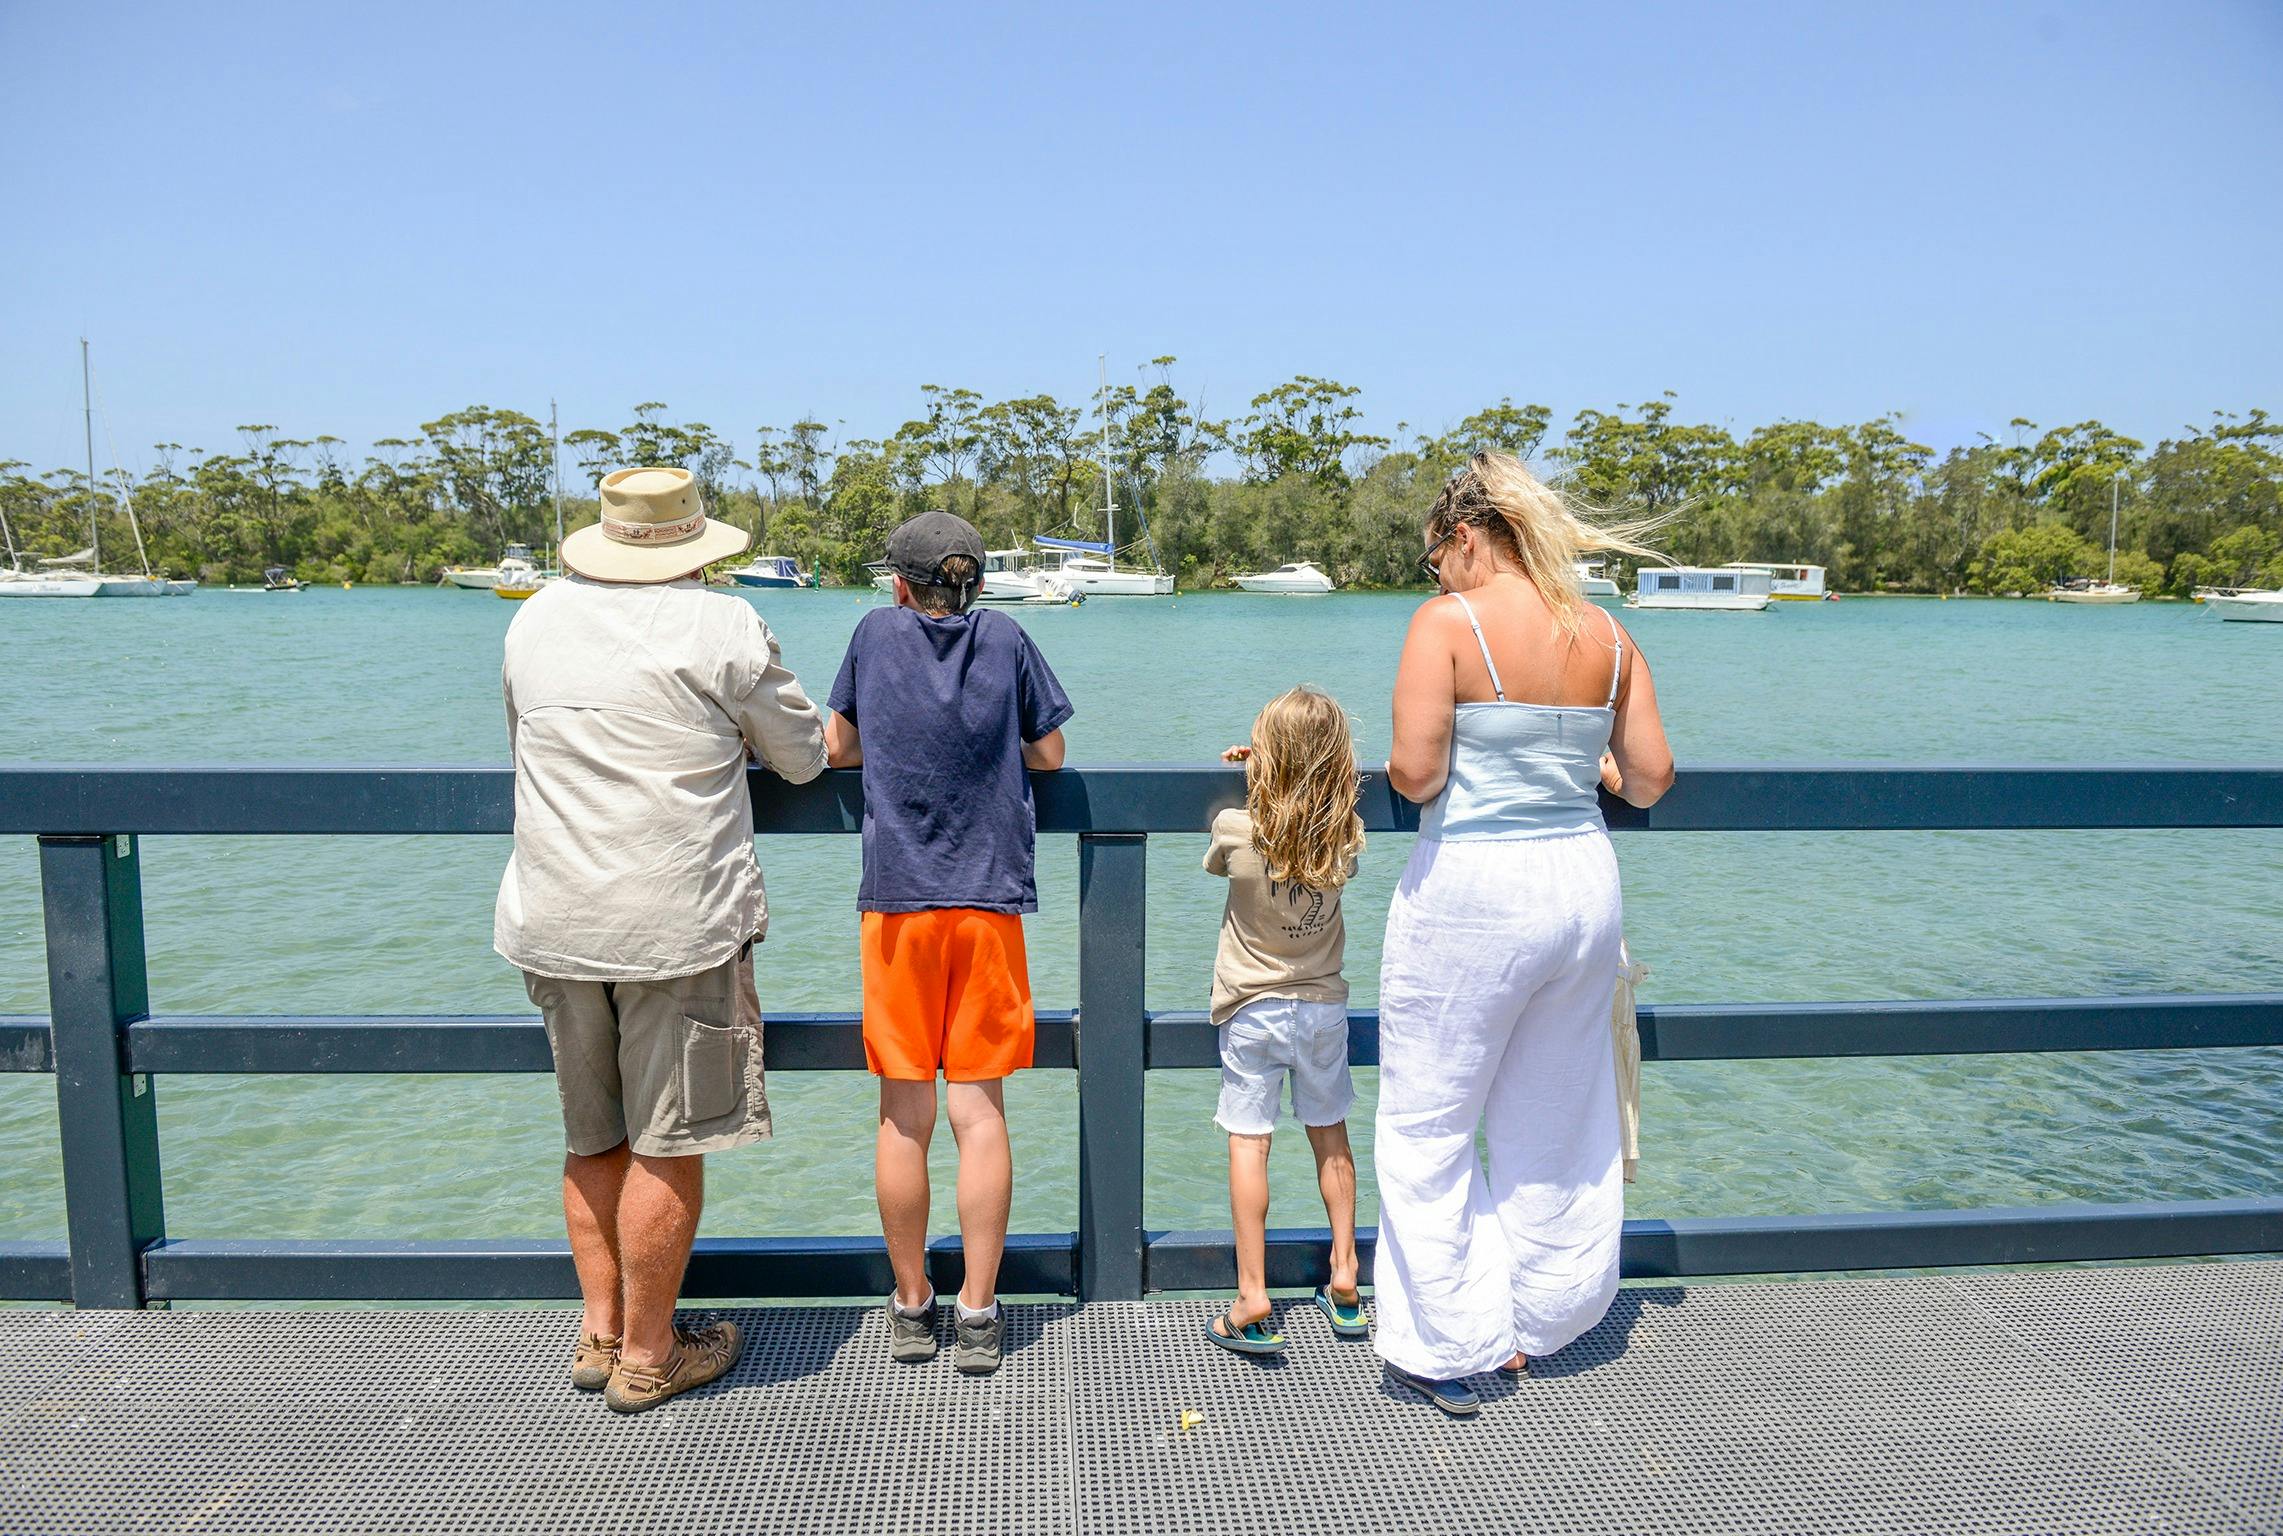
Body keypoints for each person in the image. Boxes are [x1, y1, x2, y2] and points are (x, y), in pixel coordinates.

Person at [496, 465, 827, 1415]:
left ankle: (599, 1334)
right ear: (694, 544)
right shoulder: (722, 625)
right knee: (668, 1142)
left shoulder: (532, 621)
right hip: (675, 923)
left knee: (591, 1133)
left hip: (552, 914)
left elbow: (521, 744)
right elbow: (802, 760)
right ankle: (651, 1356)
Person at [1374, 451, 1674, 1418]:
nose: (1436, 577)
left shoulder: (1446, 624)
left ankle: (1452, 1344)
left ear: (1465, 538)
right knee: (1558, 1115)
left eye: (1435, 557)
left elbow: (1415, 776)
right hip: (1581, 886)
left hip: (1475, 891)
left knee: (1428, 1119)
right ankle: (1543, 1318)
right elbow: (1651, 775)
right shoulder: (1606, 632)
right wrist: (1573, 765)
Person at [824, 510, 1072, 1375]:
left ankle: (909, 1305)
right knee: (979, 1112)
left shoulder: (872, 634)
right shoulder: (1006, 638)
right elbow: (1049, 752)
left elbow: (837, 746)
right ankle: (977, 1312)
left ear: (899, 584)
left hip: (897, 904)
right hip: (989, 902)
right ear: (975, 584)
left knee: (904, 1115)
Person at [1202, 686, 1370, 1358]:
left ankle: (1251, 1294)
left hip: (1251, 1008)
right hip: (1322, 1007)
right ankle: (1346, 1277)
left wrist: (1254, 777)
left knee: (1250, 1143)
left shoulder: (1235, 830)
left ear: (1263, 759)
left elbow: (1228, 855)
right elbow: (1321, 800)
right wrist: (1296, 771)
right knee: (1331, 1140)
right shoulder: (1347, 836)